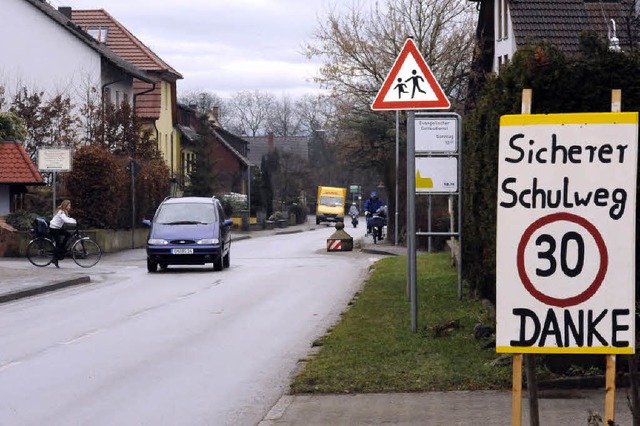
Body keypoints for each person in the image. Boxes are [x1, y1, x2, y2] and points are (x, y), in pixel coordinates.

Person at [49, 199, 77, 267]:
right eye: (69, 205)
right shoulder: (61, 212)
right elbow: (66, 220)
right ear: (65, 205)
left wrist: (74, 220)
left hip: (58, 228)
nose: (70, 207)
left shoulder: (64, 212)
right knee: (58, 244)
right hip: (54, 228)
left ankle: (62, 248)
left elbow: (68, 219)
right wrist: (75, 222)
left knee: (68, 234)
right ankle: (55, 258)